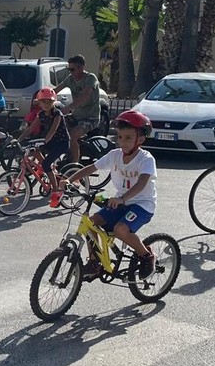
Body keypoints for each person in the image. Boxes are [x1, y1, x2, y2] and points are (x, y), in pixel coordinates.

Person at [66, 111, 157, 279]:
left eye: (128, 138)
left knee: (120, 229)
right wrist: (69, 180)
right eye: (120, 137)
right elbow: (91, 168)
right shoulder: (114, 155)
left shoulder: (146, 159)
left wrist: (122, 198)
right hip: (121, 203)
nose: (122, 142)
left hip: (142, 205)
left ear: (141, 140)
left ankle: (146, 255)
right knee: (90, 224)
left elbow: (142, 183)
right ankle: (94, 262)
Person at [15, 87, 68, 205]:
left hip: (61, 143)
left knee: (46, 164)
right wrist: (19, 139)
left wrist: (45, 141)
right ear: (39, 103)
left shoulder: (57, 114)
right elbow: (30, 128)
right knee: (33, 151)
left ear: (53, 102)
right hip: (50, 142)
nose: (46, 104)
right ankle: (46, 171)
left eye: (49, 101)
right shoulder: (41, 115)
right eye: (43, 101)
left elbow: (53, 130)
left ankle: (56, 190)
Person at [53, 54, 101, 164]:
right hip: (76, 116)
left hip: (91, 118)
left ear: (81, 67)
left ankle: (74, 165)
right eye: (69, 69)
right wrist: (42, 99)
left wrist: (69, 107)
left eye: (73, 69)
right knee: (56, 126)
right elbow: (55, 90)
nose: (71, 72)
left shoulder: (90, 78)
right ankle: (66, 153)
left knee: (72, 137)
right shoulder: (70, 79)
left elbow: (85, 95)